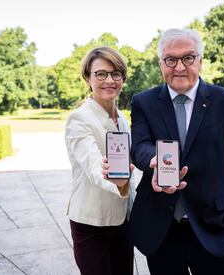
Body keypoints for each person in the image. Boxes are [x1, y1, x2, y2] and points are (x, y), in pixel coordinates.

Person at [127, 28, 224, 274]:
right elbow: (139, 146)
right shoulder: (143, 101)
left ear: (200, 61)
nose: (179, 67)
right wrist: (153, 160)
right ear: (160, 63)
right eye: (170, 59)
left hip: (216, 230)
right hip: (161, 232)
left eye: (188, 58)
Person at [65, 46, 135, 275]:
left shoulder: (122, 118)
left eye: (116, 74)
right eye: (101, 74)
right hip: (91, 224)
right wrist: (120, 181)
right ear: (87, 77)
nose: (109, 80)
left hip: (122, 222)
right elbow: (94, 167)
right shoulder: (79, 119)